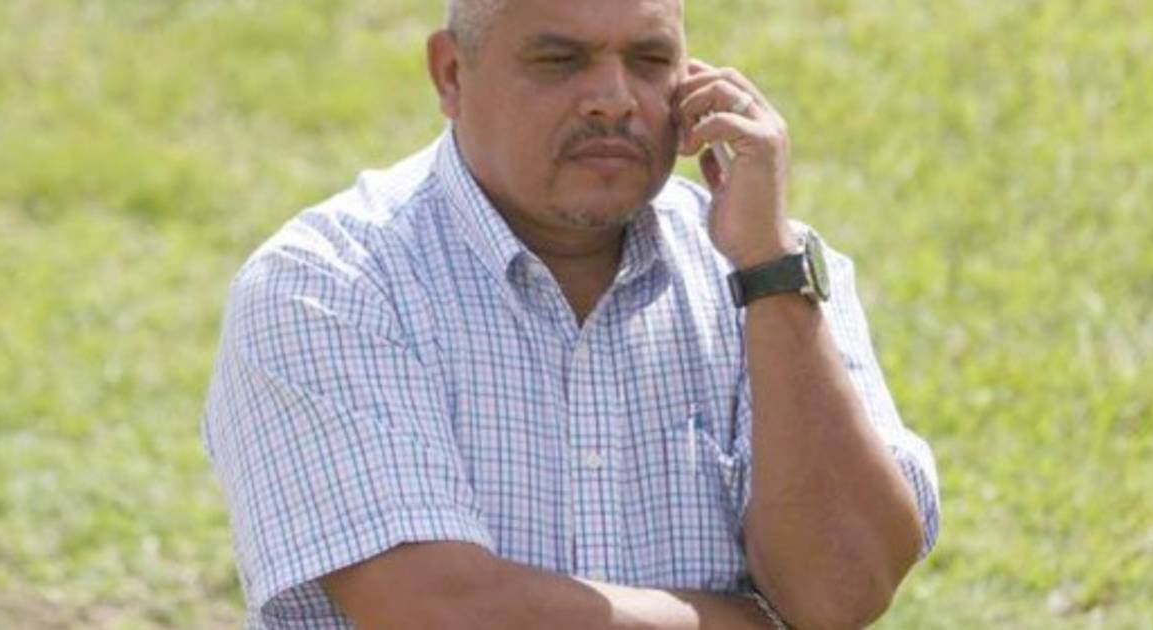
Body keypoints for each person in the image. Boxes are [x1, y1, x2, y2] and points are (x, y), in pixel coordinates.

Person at [203, 0, 941, 627]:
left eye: (650, 60)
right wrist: (759, 623)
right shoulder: (329, 282)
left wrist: (770, 272)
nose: (614, 99)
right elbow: (439, 610)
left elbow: (842, 591)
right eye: (559, 61)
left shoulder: (771, 270)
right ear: (451, 74)